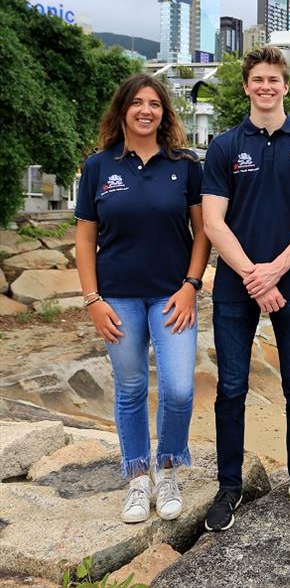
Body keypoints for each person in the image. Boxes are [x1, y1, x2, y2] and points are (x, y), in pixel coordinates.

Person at [201, 46, 290, 531]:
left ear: (286, 86)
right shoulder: (225, 146)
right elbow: (214, 221)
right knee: (231, 388)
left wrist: (274, 270)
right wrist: (255, 277)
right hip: (236, 288)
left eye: (274, 79)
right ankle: (228, 487)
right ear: (246, 86)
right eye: (257, 79)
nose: (266, 86)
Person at [74, 73, 210, 523]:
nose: (146, 110)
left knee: (179, 388)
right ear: (123, 111)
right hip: (118, 298)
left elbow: (201, 233)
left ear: (164, 112)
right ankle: (136, 477)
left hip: (173, 297)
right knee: (131, 389)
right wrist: (93, 299)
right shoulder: (99, 166)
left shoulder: (186, 165)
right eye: (137, 103)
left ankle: (167, 468)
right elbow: (84, 240)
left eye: (154, 103)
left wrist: (191, 286)